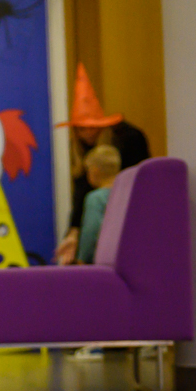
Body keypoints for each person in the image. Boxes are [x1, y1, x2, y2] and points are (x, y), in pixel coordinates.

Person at [54, 64, 148, 265]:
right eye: (81, 129)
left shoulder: (129, 140)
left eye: (92, 128)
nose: (88, 133)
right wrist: (73, 232)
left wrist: (82, 258)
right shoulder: (82, 156)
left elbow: (91, 230)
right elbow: (81, 196)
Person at [75, 143, 121, 265]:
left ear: (94, 171)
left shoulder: (96, 198)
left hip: (103, 260)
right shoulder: (126, 194)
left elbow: (91, 230)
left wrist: (82, 258)